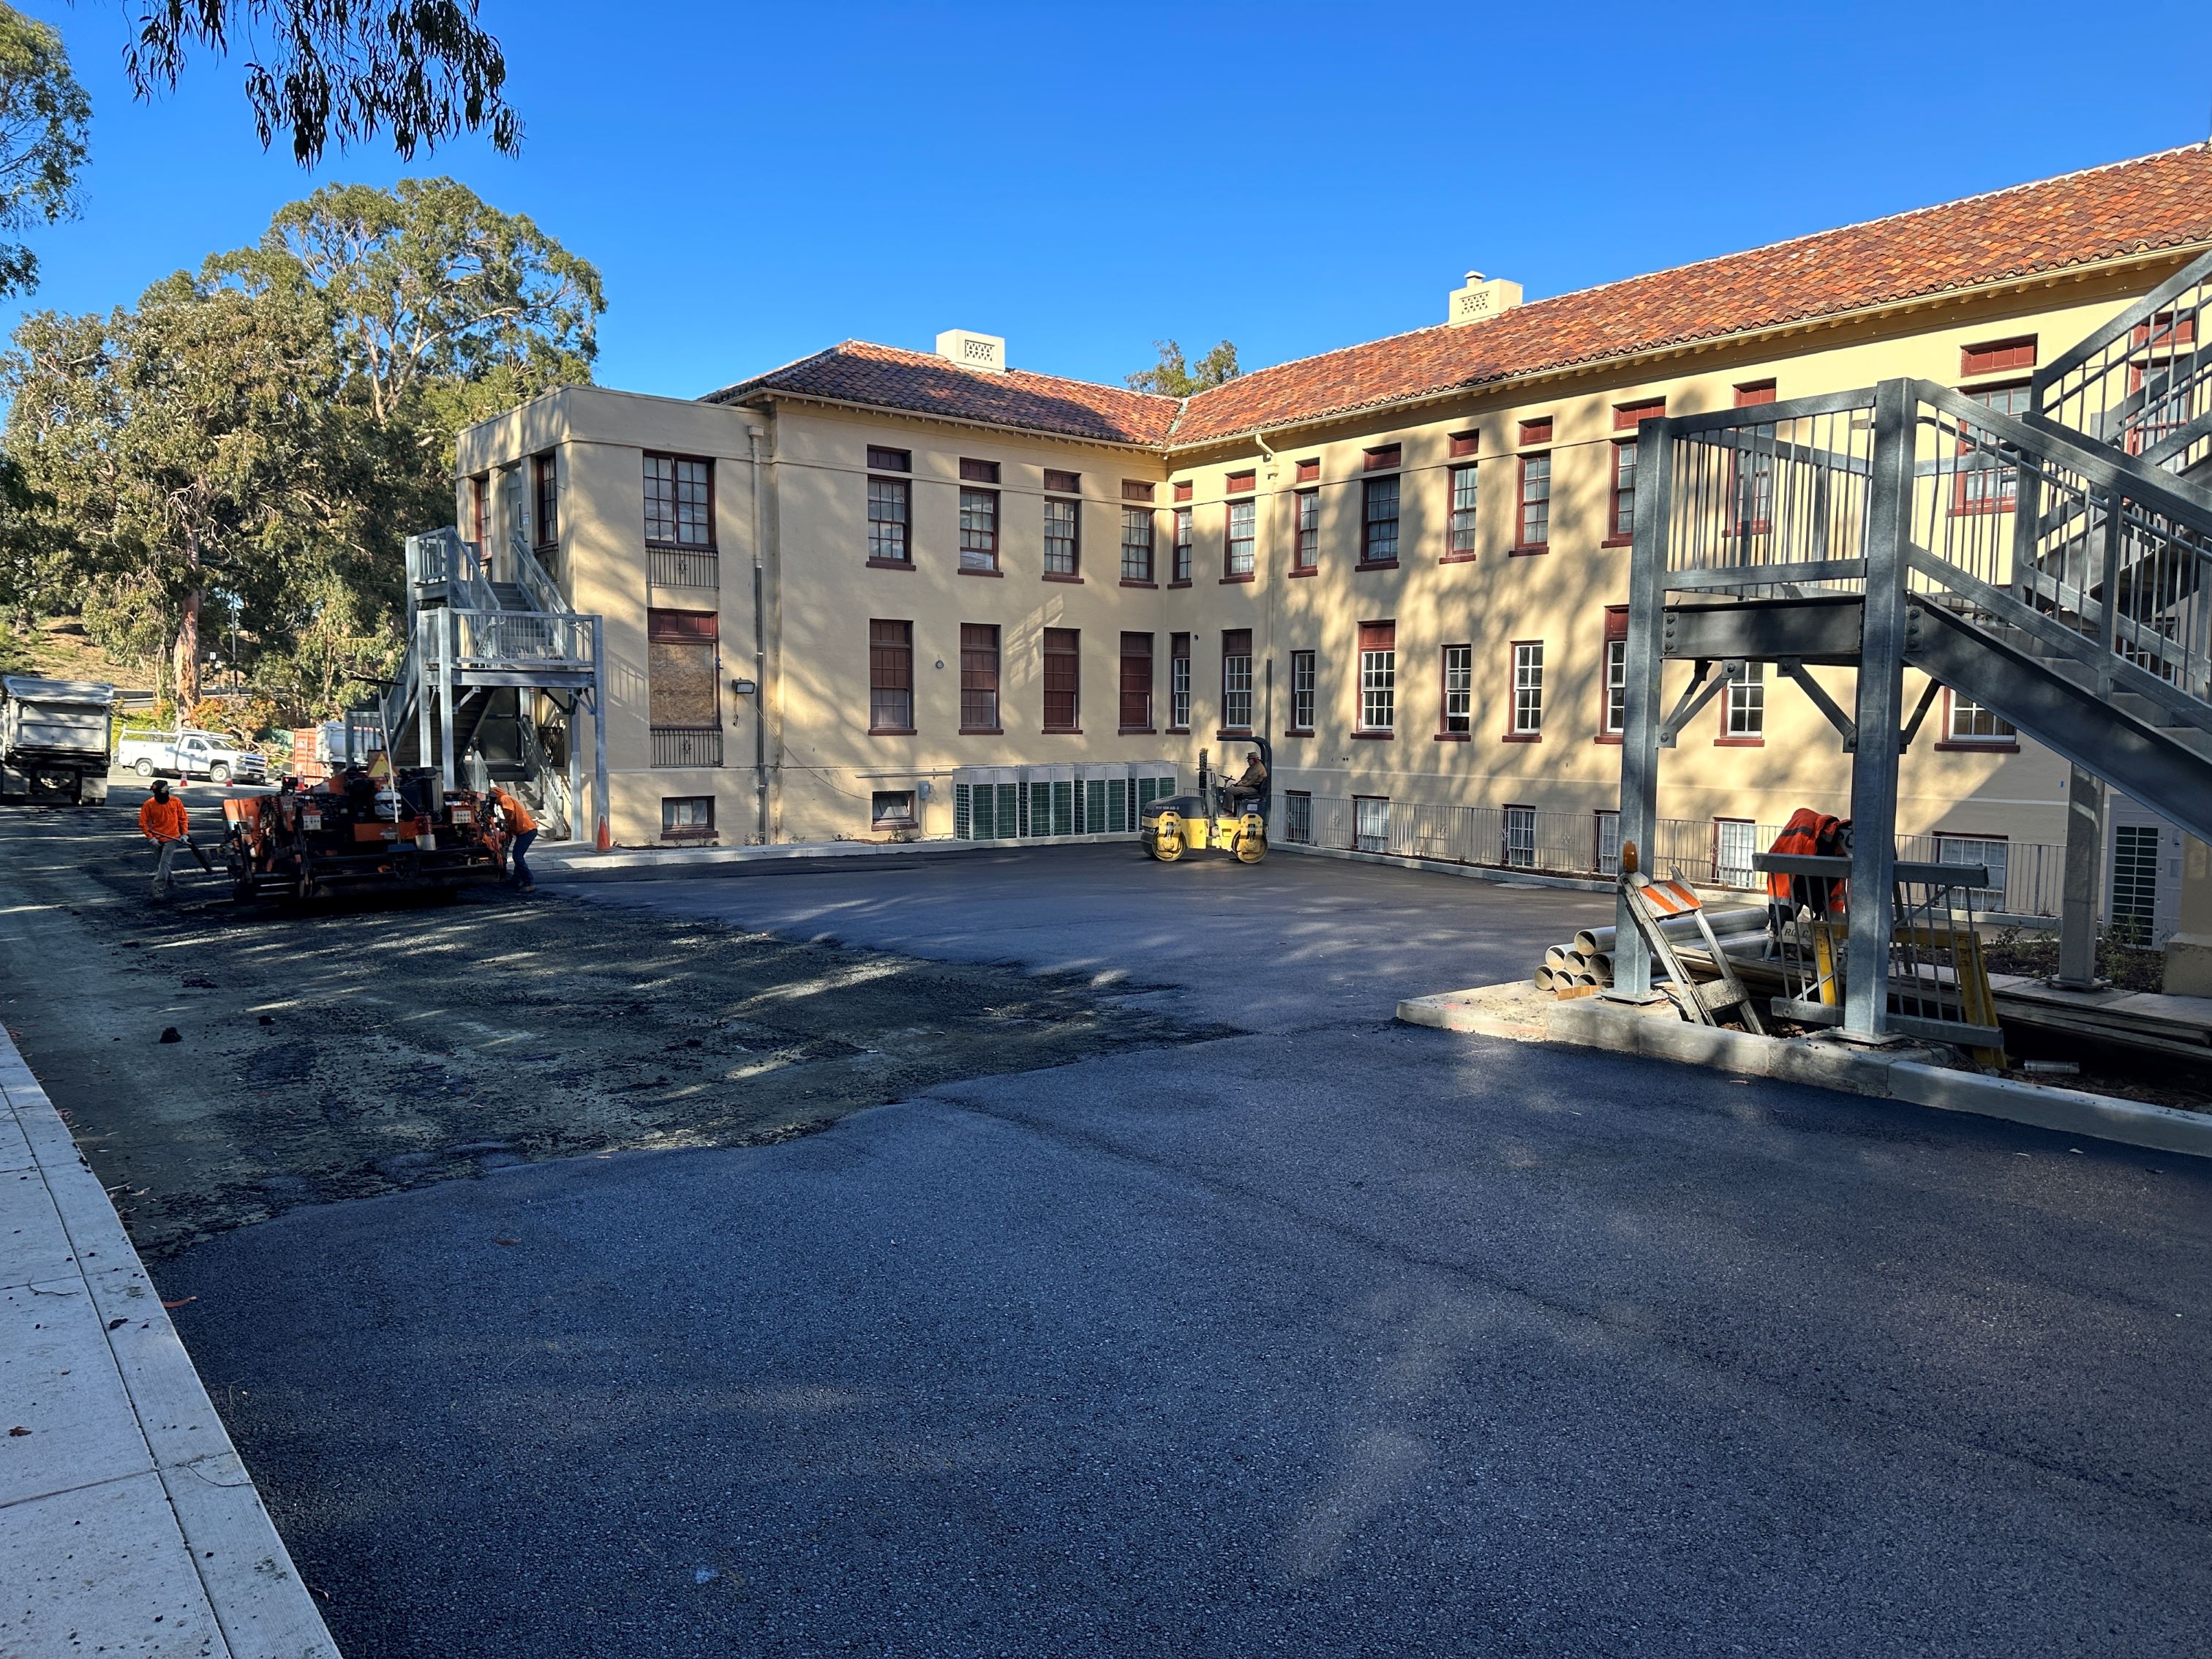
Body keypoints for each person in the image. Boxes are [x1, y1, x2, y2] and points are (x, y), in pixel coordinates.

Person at [138, 778, 192, 902]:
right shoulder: (149, 805)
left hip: (172, 839)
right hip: (157, 839)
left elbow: (183, 819)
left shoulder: (176, 802)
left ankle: (158, 890)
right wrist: (151, 838)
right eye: (166, 789)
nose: (168, 791)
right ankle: (174, 887)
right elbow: (143, 823)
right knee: (163, 866)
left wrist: (184, 834)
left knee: (164, 864)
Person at [485, 783, 538, 891]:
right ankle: (516, 880)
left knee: (517, 857)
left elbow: (510, 813)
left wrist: (505, 827)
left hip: (527, 831)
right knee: (518, 856)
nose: (493, 801)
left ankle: (529, 882)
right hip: (523, 831)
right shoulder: (505, 799)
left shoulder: (505, 799)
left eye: (492, 798)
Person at [1222, 749, 1268, 816]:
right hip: (1251, 786)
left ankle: (1228, 811)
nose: (1248, 761)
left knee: (1229, 790)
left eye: (1249, 759)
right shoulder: (1255, 766)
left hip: (1253, 788)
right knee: (1233, 789)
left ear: (1254, 759)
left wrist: (1238, 785)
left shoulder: (1256, 768)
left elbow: (1247, 781)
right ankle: (1235, 812)